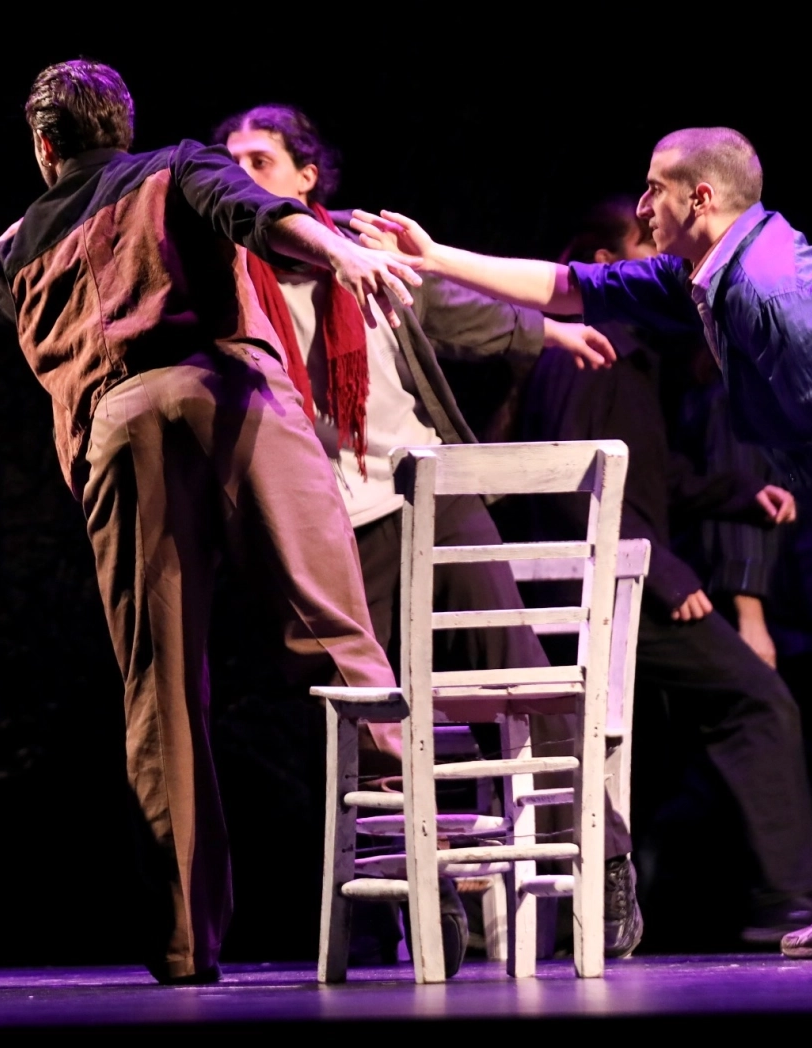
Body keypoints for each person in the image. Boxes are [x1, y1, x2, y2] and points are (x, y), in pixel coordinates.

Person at [353, 127, 812, 959]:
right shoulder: (706, 276)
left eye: (653, 189)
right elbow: (570, 287)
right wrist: (433, 255)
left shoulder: (772, 289)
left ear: (700, 197)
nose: (640, 207)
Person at [0, 60, 423, 984]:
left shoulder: (24, 242)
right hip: (229, 395)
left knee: (160, 691)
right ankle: (420, 871)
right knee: (335, 637)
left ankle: (184, 940)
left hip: (118, 431)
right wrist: (343, 252)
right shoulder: (176, 165)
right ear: (123, 125)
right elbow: (258, 215)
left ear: (43, 148)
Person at [215, 105, 648, 958]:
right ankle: (422, 892)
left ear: (307, 176)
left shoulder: (358, 244)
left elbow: (444, 306)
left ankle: (601, 855)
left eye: (260, 160)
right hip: (325, 521)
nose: (240, 175)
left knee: (522, 677)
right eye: (230, 162)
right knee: (370, 717)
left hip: (427, 493)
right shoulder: (219, 270)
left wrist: (548, 331)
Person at [512, 195, 812, 945]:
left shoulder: (627, 356)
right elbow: (569, 478)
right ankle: (791, 899)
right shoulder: (589, 352)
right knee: (754, 698)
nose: (659, 263)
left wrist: (739, 495)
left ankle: (750, 895)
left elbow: (646, 478)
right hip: (602, 585)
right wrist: (662, 571)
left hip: (621, 573)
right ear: (602, 266)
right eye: (641, 245)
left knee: (693, 731)